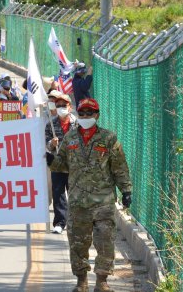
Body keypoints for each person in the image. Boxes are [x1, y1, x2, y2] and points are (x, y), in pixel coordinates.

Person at [47, 98, 132, 292]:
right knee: (78, 242)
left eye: (89, 113)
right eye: (82, 113)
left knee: (105, 241)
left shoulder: (109, 139)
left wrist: (126, 190)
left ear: (97, 115)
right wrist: (50, 156)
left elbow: (119, 167)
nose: (85, 117)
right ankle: (81, 282)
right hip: (78, 202)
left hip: (104, 202)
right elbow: (61, 166)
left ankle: (102, 281)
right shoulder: (70, 138)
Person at [45, 92, 76, 235]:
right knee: (58, 194)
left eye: (64, 105)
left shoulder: (77, 124)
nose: (61, 108)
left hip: (74, 165)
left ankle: (75, 222)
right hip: (57, 164)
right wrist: (51, 143)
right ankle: (59, 222)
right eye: (58, 106)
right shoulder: (50, 124)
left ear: (69, 107)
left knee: (75, 194)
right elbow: (47, 145)